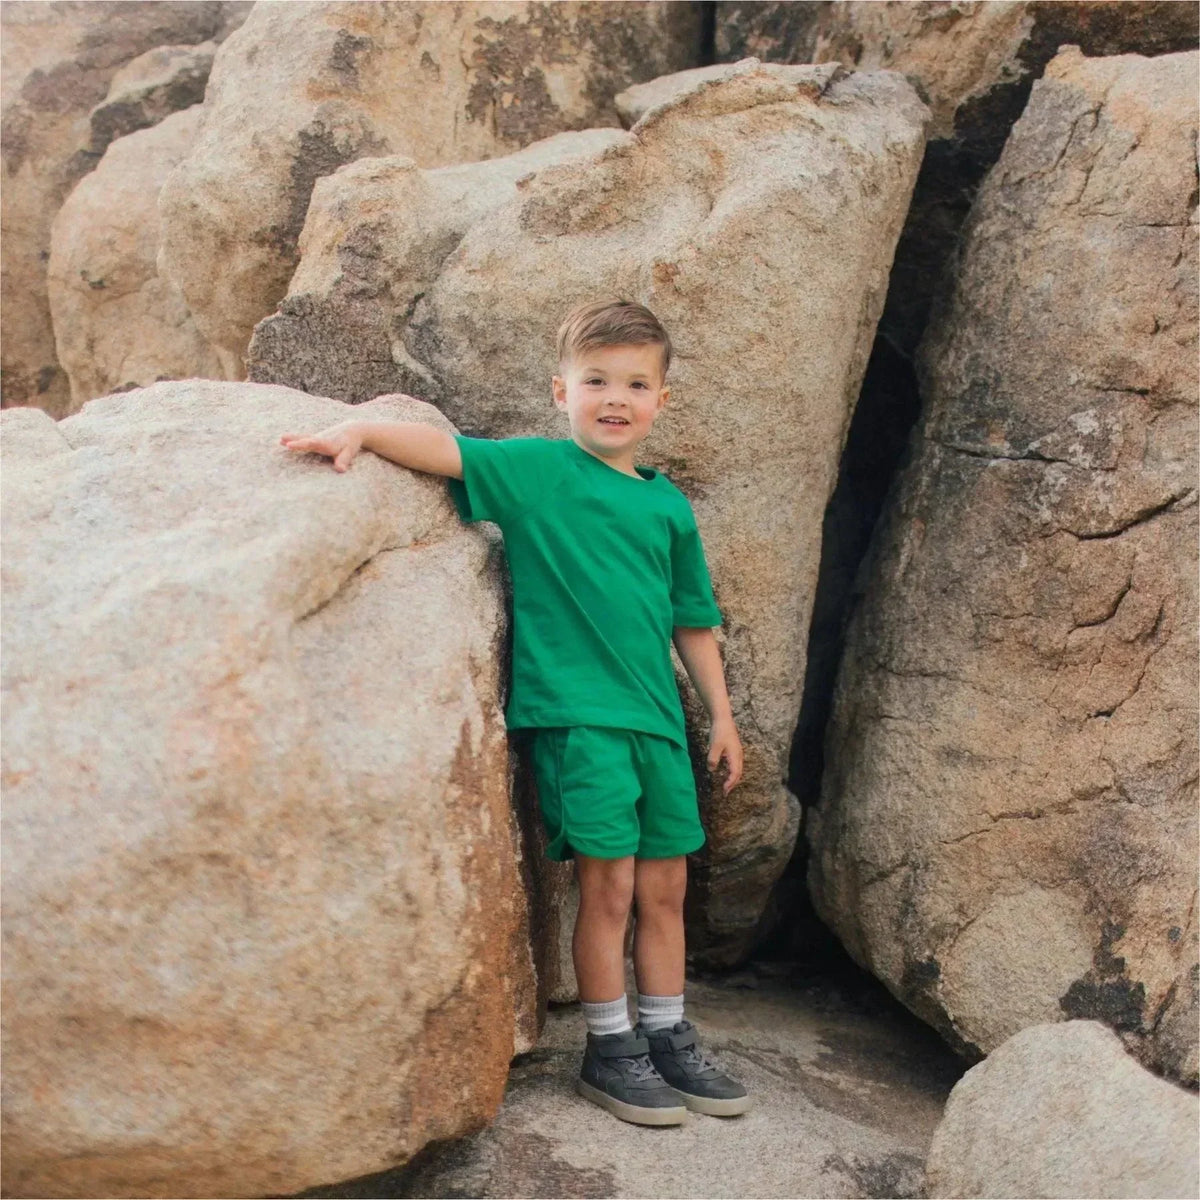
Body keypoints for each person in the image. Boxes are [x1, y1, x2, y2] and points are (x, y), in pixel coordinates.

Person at [279, 297, 749, 1126]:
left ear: (661, 401)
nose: (614, 397)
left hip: (657, 727)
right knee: (607, 887)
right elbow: (447, 453)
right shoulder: (540, 472)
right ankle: (611, 1050)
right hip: (579, 718)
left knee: (667, 886)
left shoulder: (667, 505)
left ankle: (668, 1033)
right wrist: (362, 430)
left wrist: (720, 716)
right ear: (560, 391)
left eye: (635, 383)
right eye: (595, 379)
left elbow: (692, 619)